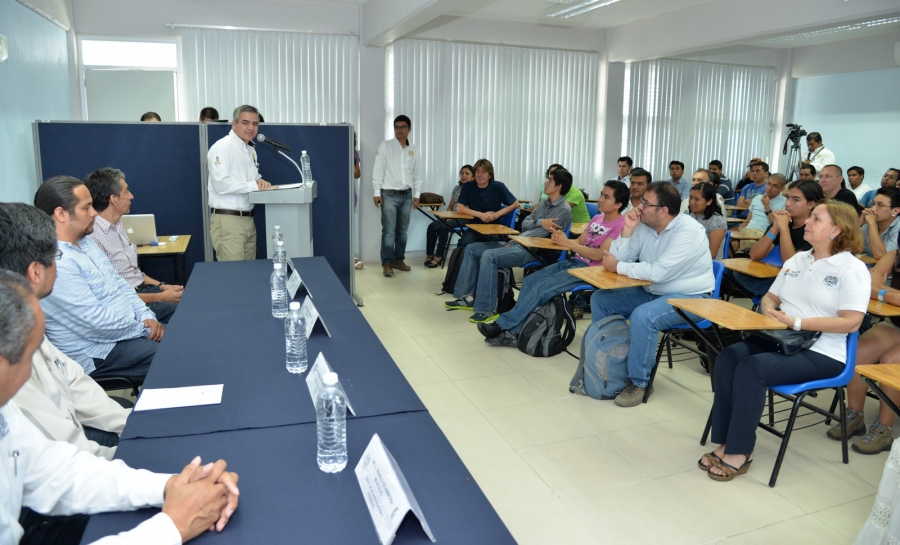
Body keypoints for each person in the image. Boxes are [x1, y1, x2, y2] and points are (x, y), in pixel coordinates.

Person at [0, 272, 240, 544]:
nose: (41, 364)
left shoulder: (6, 413)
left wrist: (169, 486)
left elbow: (55, 472)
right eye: (32, 355)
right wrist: (172, 527)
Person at [701, 201, 868, 481]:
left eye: (816, 219)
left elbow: (851, 321)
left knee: (752, 368)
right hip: (782, 338)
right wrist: (768, 308)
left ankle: (740, 451)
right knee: (728, 357)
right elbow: (772, 296)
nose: (808, 222)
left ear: (836, 230)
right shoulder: (798, 260)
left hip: (824, 351)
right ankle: (727, 440)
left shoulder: (851, 268)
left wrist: (797, 322)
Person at [0, 205, 129, 460]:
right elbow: (62, 460)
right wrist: (124, 460)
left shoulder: (25, 314)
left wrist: (128, 423)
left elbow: (70, 377)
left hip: (75, 442)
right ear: (36, 271)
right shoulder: (12, 349)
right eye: (55, 257)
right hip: (70, 458)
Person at [590, 182, 715, 407]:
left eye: (646, 203)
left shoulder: (689, 231)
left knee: (643, 316)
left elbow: (657, 272)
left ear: (663, 211)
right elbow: (616, 259)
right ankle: (611, 361)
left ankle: (639, 381)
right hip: (651, 291)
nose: (639, 206)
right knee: (601, 299)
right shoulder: (645, 225)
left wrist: (618, 266)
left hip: (691, 298)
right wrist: (627, 230)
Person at [34, 176, 162, 380]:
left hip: (125, 333)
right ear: (61, 214)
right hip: (97, 352)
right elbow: (97, 324)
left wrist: (147, 316)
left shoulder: (86, 243)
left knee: (180, 342)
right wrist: (144, 329)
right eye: (86, 208)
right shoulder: (56, 264)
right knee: (176, 355)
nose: (94, 213)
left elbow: (120, 284)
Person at [477, 181, 628, 346]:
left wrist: (569, 244)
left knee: (543, 288)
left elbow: (600, 255)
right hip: (575, 262)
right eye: (601, 194)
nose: (600, 199)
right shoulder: (598, 218)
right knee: (530, 281)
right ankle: (515, 331)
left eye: (606, 197)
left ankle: (502, 326)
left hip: (591, 271)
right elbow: (579, 241)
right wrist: (560, 238)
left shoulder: (620, 225)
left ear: (618, 204)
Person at [446, 168, 571, 323]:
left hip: (534, 250)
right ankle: (468, 296)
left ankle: (487, 309)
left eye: (550, 180)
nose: (546, 183)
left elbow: (542, 235)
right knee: (471, 249)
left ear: (558, 187)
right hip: (518, 242)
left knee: (489, 256)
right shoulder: (543, 204)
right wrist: (539, 222)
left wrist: (515, 241)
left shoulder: (564, 209)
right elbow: (524, 223)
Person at [85, 167, 181, 323]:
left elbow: (134, 274)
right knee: (186, 313)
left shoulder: (119, 226)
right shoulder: (93, 238)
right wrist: (161, 296)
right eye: (126, 192)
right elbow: (113, 294)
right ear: (113, 199)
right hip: (130, 303)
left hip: (146, 292)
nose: (131, 196)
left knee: (189, 301)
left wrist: (162, 286)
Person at [828, 247, 900, 453]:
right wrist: (889, 294)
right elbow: (866, 283)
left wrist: (881, 289)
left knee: (892, 360)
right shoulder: (895, 254)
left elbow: (875, 285)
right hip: (895, 325)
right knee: (860, 351)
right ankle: (855, 416)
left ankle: (883, 429)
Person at [732, 180, 824, 297]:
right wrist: (774, 228)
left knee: (770, 300)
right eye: (787, 198)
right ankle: (775, 296)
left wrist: (784, 229)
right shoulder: (782, 221)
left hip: (802, 281)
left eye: (796, 200)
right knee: (739, 273)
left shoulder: (814, 230)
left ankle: (774, 297)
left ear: (811, 204)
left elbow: (792, 267)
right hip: (782, 278)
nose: (788, 204)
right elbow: (755, 255)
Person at [207, 105, 273, 261]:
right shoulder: (222, 147)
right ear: (234, 124)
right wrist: (254, 185)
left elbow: (252, 180)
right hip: (229, 221)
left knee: (248, 275)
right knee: (233, 277)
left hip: (248, 219)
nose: (251, 128)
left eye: (255, 124)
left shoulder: (250, 150)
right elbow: (221, 184)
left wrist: (261, 183)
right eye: (245, 122)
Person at [372, 114, 422, 277]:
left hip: (407, 195)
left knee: (402, 231)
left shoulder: (413, 149)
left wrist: (417, 194)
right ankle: (387, 263)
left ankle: (398, 260)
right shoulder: (386, 146)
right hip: (388, 194)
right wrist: (376, 192)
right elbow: (378, 169)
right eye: (397, 127)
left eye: (403, 127)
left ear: (409, 129)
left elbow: (417, 173)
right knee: (388, 231)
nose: (399, 130)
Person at [453, 158, 519, 249]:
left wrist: (496, 215)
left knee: (494, 248)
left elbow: (515, 204)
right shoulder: (468, 186)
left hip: (494, 228)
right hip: (475, 227)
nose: (480, 175)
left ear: (490, 175)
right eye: (477, 171)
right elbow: (460, 208)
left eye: (484, 172)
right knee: (463, 244)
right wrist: (481, 215)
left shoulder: (498, 186)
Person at [424, 165, 474, 268]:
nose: (464, 176)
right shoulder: (457, 188)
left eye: (467, 173)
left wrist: (455, 217)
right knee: (432, 226)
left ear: (473, 176)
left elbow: (472, 210)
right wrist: (448, 215)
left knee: (444, 227)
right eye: (462, 173)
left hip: (465, 218)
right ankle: (430, 254)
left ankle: (439, 256)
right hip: (453, 216)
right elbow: (451, 206)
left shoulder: (475, 189)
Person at [731, 173, 787, 251]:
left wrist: (767, 206)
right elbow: (747, 221)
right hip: (748, 231)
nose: (769, 188)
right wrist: (737, 231)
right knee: (726, 237)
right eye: (769, 184)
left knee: (733, 244)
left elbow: (776, 226)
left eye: (775, 186)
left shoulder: (785, 203)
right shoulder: (757, 198)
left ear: (782, 188)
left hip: (763, 235)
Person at [685, 182, 726, 259]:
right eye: (690, 198)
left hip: (707, 264)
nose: (691, 202)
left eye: (697, 199)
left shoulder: (717, 221)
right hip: (687, 259)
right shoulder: (687, 215)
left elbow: (712, 254)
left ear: (709, 201)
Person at [860, 187, 900, 259]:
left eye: (880, 205)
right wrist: (858, 224)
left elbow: (880, 255)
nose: (873, 209)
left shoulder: (898, 228)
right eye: (873, 203)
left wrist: (872, 224)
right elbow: (849, 247)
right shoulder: (870, 221)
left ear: (895, 211)